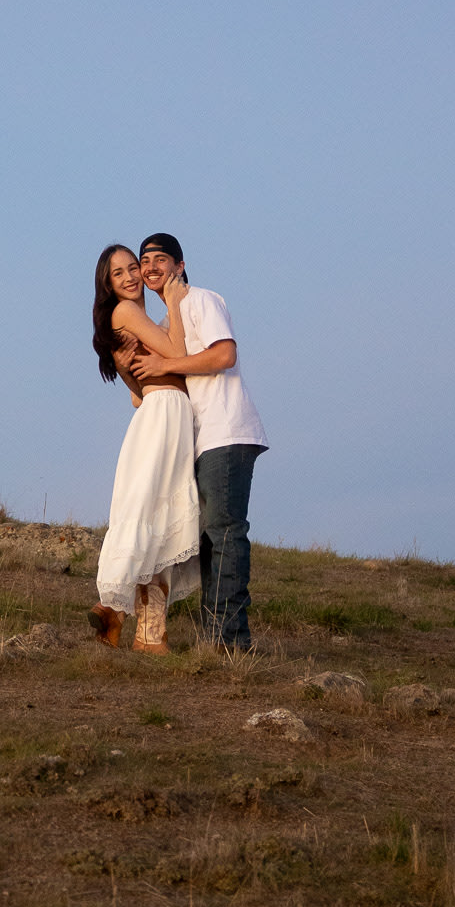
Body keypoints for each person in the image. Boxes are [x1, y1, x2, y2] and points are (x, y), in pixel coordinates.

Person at [123, 232, 267, 651]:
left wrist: (165, 362)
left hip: (227, 431)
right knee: (206, 540)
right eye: (143, 261)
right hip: (198, 440)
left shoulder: (201, 300)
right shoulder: (169, 324)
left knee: (223, 534)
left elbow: (224, 355)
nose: (150, 267)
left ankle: (230, 642)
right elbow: (139, 396)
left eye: (160, 259)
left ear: (180, 266)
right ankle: (217, 637)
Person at [88, 243, 202, 653]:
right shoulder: (126, 312)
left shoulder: (128, 320)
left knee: (158, 523)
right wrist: (173, 302)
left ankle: (142, 631)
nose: (131, 276)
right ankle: (119, 612)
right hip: (164, 415)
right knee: (155, 518)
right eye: (118, 273)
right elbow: (178, 353)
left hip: (157, 413)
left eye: (132, 267)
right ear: (109, 286)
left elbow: (136, 394)